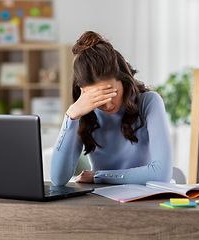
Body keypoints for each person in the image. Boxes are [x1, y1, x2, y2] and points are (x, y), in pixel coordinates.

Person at [50, 31, 173, 185]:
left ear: (124, 80)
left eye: (112, 92)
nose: (107, 104)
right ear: (83, 92)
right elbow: (58, 179)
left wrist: (99, 176)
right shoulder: (82, 113)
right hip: (101, 203)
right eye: (97, 98)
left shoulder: (149, 102)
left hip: (143, 201)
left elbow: (162, 174)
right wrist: (71, 116)